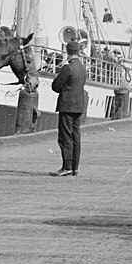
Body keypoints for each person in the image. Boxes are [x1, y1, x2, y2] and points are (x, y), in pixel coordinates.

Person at [51, 40, 87, 176]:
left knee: (65, 136)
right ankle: (75, 167)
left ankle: (66, 167)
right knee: (76, 136)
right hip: (78, 106)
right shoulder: (82, 68)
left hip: (66, 106)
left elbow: (55, 86)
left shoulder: (68, 68)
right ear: (78, 51)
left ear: (68, 52)